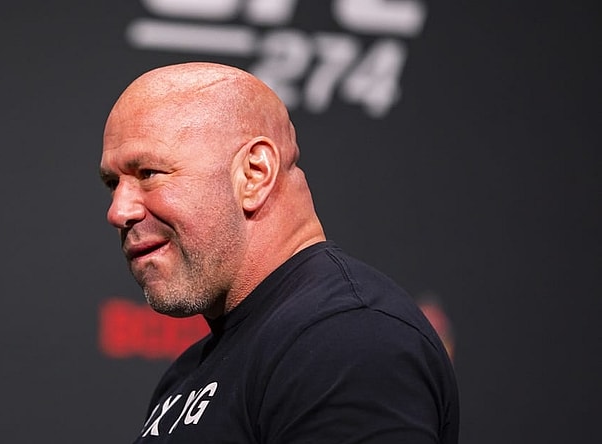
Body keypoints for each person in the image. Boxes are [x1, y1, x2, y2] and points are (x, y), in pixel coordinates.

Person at [99, 62, 459, 443]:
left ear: (254, 173)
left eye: (148, 173)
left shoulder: (347, 339)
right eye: (112, 183)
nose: (118, 211)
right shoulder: (192, 371)